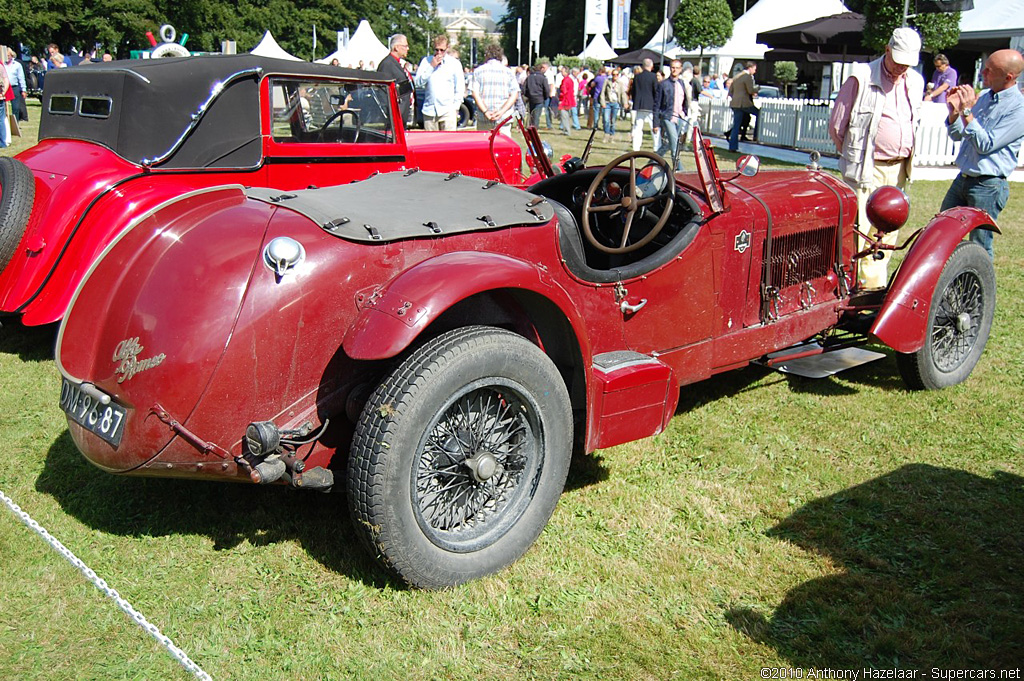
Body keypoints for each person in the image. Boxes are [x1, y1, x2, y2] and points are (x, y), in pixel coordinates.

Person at [828, 27, 924, 289]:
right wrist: (853, 156)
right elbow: (837, 126)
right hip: (865, 169)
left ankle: (872, 287)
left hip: (898, 170)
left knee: (887, 232)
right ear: (887, 50)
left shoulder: (916, 82)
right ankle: (847, 286)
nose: (902, 67)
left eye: (907, 63)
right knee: (857, 231)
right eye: (898, 60)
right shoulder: (860, 77)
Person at [941, 49, 1024, 259]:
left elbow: (986, 144)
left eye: (989, 70)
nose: (983, 73)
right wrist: (955, 113)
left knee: (979, 245)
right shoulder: (985, 97)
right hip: (963, 179)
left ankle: (980, 290)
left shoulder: (1019, 108)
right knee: (941, 232)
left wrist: (967, 111)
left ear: (1009, 77)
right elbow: (959, 134)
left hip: (988, 186)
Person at [414, 35, 465, 131]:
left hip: (448, 111)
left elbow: (460, 88)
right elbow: (418, 83)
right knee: (431, 144)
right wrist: (431, 67)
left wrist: (455, 108)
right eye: (436, 50)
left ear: (447, 48)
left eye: (442, 50)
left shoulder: (454, 64)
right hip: (429, 111)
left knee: (448, 144)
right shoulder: (426, 62)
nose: (439, 53)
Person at [470, 44, 519, 136]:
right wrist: (501, 111)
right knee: (503, 148)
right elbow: (514, 94)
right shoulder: (509, 72)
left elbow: (475, 93)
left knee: (483, 148)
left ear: (486, 56)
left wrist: (486, 111)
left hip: (484, 117)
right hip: (503, 118)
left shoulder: (478, 71)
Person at [655, 59, 689, 172]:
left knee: (670, 143)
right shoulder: (663, 84)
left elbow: (684, 100)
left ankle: (653, 160)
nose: (674, 70)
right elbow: (657, 104)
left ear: (680, 69)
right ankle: (679, 169)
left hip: (679, 117)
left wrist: (684, 112)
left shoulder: (681, 83)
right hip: (667, 116)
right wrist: (655, 123)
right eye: (672, 67)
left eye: (677, 68)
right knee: (674, 144)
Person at [377, 34, 413, 124]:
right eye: (405, 46)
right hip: (394, 116)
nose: (407, 48)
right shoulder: (387, 64)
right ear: (396, 47)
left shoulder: (396, 63)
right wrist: (391, 113)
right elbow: (382, 92)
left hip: (401, 114)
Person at [728, 61, 759, 152]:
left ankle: (732, 146)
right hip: (744, 103)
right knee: (759, 114)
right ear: (750, 68)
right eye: (754, 69)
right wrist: (758, 88)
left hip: (735, 103)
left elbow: (731, 91)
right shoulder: (747, 77)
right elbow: (750, 90)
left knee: (736, 125)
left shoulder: (736, 76)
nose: (755, 71)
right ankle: (756, 136)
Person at [630, 58, 659, 152]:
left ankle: (636, 147)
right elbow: (656, 91)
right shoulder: (653, 76)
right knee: (653, 127)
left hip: (639, 105)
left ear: (642, 66)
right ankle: (656, 146)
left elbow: (633, 91)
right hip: (650, 105)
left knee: (638, 127)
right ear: (651, 66)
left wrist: (635, 101)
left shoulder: (637, 77)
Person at [522, 64, 548, 128]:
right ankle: (534, 129)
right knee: (536, 116)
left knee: (531, 115)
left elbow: (524, 89)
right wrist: (545, 97)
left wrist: (527, 96)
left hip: (531, 98)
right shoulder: (543, 78)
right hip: (540, 99)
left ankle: (531, 128)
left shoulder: (529, 77)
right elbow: (546, 89)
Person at [6, 49, 27, 122]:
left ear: (11, 55)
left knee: (16, 107)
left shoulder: (17, 65)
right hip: (4, 87)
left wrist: (24, 90)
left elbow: (21, 78)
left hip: (14, 87)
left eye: (8, 55)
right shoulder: (2, 64)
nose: (7, 57)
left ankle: (15, 123)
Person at [557, 65, 576, 136]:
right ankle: (566, 130)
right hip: (570, 99)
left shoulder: (565, 80)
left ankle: (566, 131)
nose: (561, 72)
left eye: (562, 71)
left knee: (564, 116)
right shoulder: (570, 80)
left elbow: (563, 91)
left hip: (565, 100)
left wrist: (560, 99)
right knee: (567, 116)